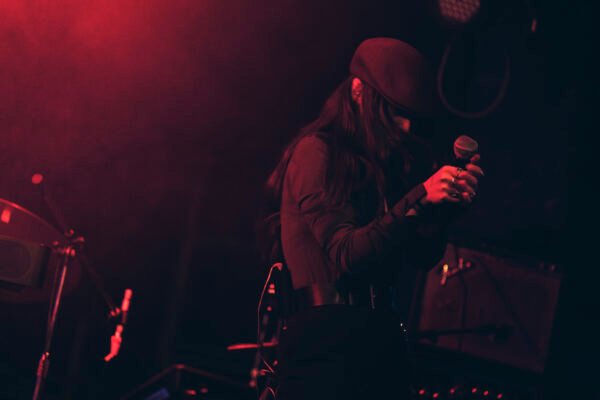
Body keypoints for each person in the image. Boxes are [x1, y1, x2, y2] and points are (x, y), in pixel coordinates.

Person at [259, 38, 483, 400]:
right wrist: (421, 198)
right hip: (325, 352)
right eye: (393, 112)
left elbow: (421, 256)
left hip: (380, 345)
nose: (405, 128)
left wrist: (443, 211)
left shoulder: (386, 169)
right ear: (358, 92)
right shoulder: (316, 153)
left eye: (411, 117)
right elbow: (346, 253)